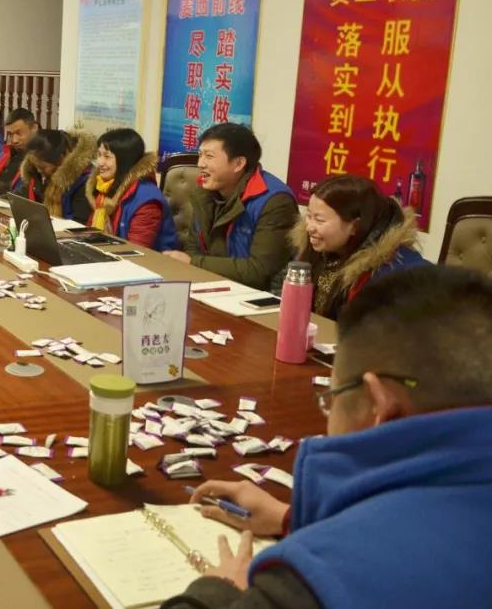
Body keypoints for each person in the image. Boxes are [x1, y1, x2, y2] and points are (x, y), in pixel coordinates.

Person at [163, 265, 492, 608]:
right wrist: (289, 519)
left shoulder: (312, 583)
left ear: (377, 405)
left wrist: (220, 590)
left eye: (332, 397)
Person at [163, 123, 298, 290]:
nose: (200, 164)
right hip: (211, 287)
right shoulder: (204, 192)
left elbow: (259, 271)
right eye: (200, 155)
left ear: (238, 164)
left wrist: (193, 262)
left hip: (253, 295)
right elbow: (193, 247)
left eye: (209, 156)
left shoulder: (275, 201)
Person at [280, 174, 428, 319]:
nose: (309, 227)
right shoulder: (319, 247)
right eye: (309, 216)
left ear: (355, 226)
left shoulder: (391, 272)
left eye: (319, 220)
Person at [85, 128, 179, 250]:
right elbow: (90, 232)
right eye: (99, 155)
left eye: (107, 156)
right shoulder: (105, 185)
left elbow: (135, 251)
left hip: (148, 260)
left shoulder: (147, 199)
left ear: (125, 160)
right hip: (110, 253)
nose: (100, 162)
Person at [12, 129, 95, 223]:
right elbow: (19, 195)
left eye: (42, 167)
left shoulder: (83, 181)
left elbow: (78, 223)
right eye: (36, 166)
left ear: (61, 158)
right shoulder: (35, 173)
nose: (39, 171)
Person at [0, 107, 37, 196]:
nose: (14, 140)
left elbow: (21, 195)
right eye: (10, 134)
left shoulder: (40, 159)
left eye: (18, 133)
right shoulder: (4, 155)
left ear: (34, 128)